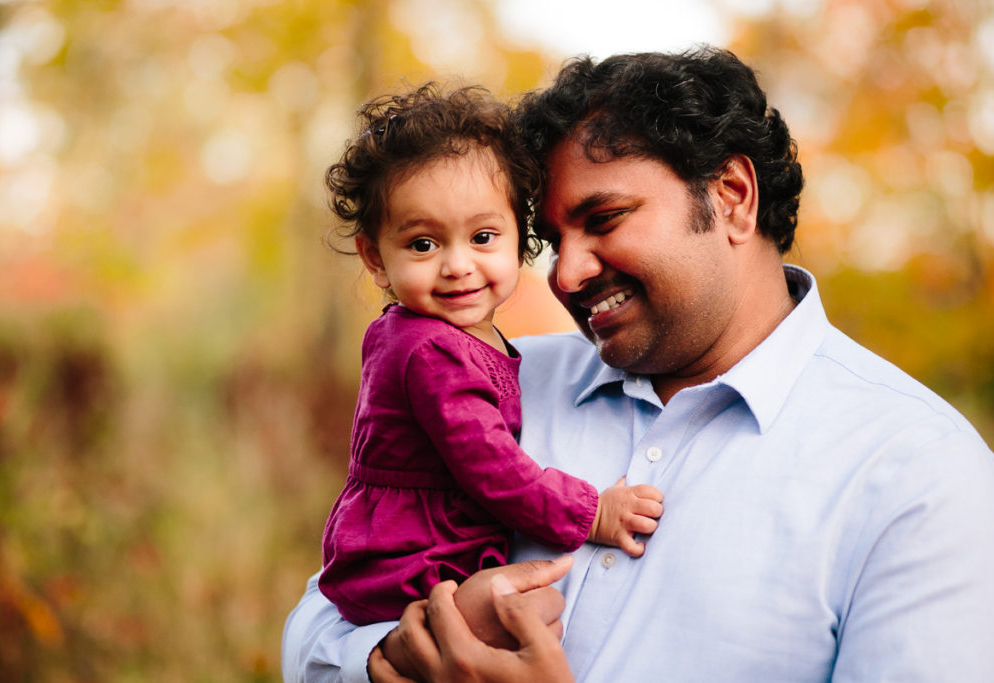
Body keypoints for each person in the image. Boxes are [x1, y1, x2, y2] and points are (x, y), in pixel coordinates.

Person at [283, 47, 994, 682]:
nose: (565, 274)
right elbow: (318, 624)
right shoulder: (496, 377)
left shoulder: (917, 472)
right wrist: (391, 663)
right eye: (553, 238)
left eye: (604, 219)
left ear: (732, 197)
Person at [317, 83, 664, 629]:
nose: (457, 265)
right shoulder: (430, 351)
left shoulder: (458, 340)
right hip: (413, 559)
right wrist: (591, 512)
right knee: (542, 611)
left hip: (417, 550)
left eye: (482, 236)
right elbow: (494, 470)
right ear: (375, 258)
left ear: (517, 238)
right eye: (423, 245)